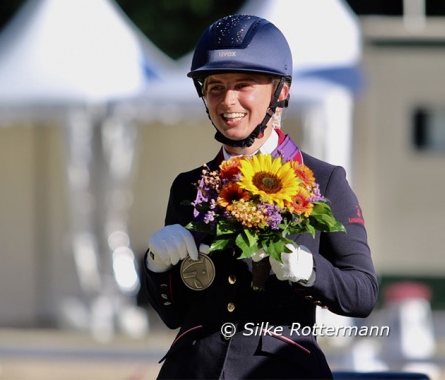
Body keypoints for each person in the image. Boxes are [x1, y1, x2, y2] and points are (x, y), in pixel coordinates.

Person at [143, 14, 378, 379]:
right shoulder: (189, 186)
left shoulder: (324, 180)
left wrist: (309, 271)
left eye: (244, 84)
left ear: (280, 91)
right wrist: (156, 267)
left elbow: (362, 293)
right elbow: (173, 313)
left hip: (279, 369)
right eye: (215, 86)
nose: (227, 100)